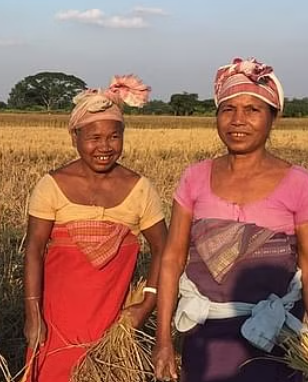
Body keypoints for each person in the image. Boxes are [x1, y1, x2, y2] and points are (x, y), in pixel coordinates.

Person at [153, 58, 308, 382]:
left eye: (252, 110)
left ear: (274, 118)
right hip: (206, 337)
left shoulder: (299, 183)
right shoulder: (194, 178)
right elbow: (172, 258)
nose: (238, 120)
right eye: (228, 109)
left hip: (275, 338)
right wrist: (164, 340)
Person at [23, 75, 167, 381]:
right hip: (56, 322)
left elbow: (163, 250)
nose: (104, 147)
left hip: (115, 323)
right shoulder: (52, 186)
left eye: (114, 137)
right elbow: (33, 251)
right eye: (94, 137)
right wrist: (33, 316)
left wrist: (148, 302)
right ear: (74, 137)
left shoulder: (140, 189)